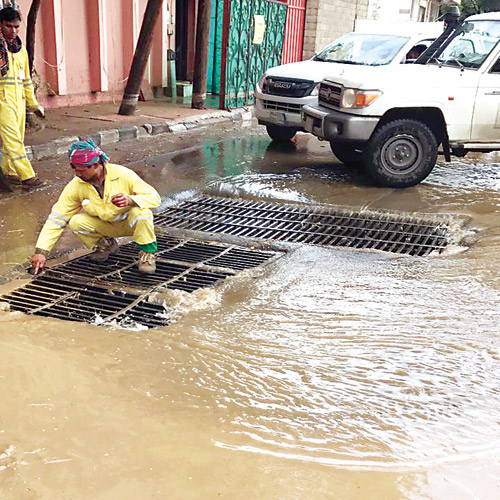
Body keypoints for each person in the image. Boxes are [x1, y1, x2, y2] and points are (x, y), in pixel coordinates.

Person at [30, 139, 161, 275]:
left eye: (81, 170)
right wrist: (41, 251)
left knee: (142, 212)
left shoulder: (123, 174)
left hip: (130, 224)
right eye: (75, 170)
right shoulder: (77, 185)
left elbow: (155, 198)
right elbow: (57, 217)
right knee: (76, 222)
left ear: (96, 165)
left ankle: (147, 254)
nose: (78, 174)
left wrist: (131, 200)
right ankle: (106, 245)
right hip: (105, 226)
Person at [0, 7, 44, 190]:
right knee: (13, 140)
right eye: (9, 26)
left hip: (18, 102)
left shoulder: (21, 51)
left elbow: (26, 80)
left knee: (15, 138)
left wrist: (34, 105)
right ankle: (27, 177)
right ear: (1, 25)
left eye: (16, 27)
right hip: (2, 101)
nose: (13, 30)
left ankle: (9, 172)